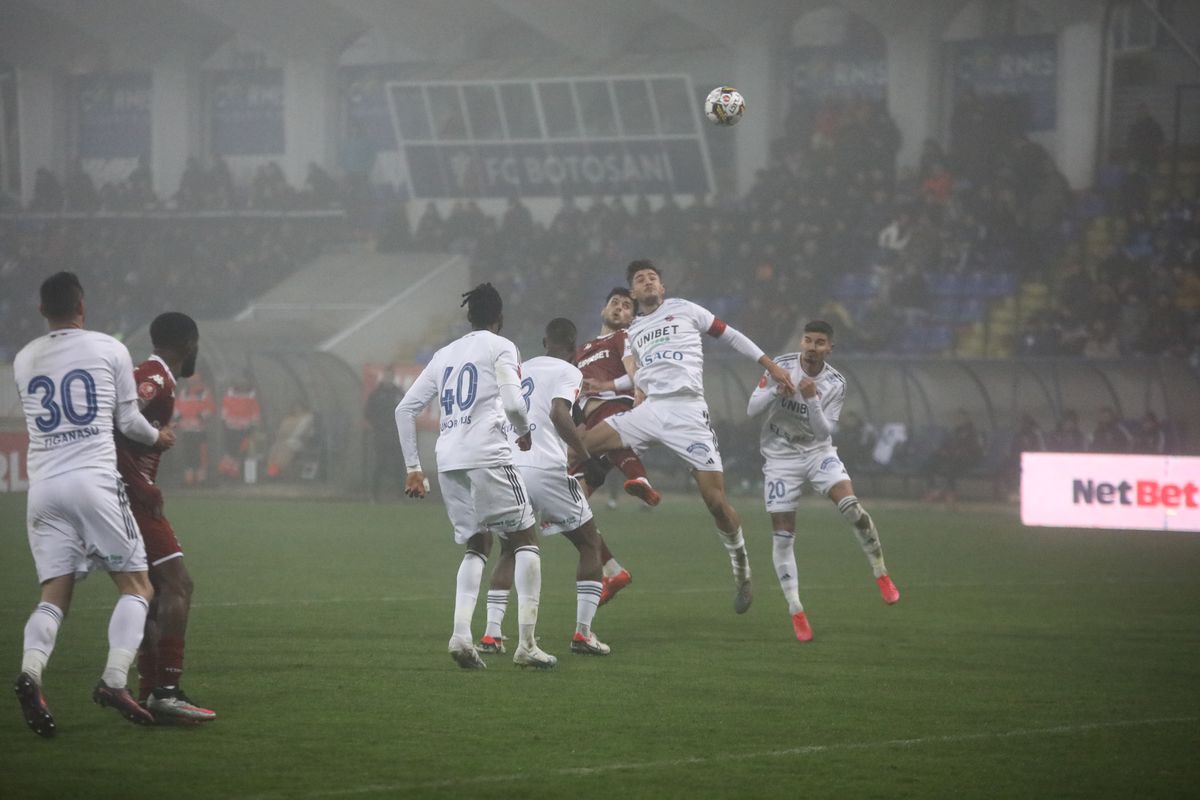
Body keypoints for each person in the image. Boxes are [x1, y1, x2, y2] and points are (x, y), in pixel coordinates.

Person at [577, 260, 796, 614]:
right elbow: (634, 372)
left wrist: (771, 366)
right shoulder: (632, 331)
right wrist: (614, 386)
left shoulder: (686, 310)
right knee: (582, 444)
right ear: (633, 292)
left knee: (715, 502)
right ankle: (576, 500)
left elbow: (731, 335)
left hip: (688, 411)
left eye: (652, 278)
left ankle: (741, 567)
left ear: (661, 288)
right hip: (651, 410)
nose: (647, 282)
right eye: (639, 280)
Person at [13, 272, 175, 736]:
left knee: (54, 596)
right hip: (93, 481)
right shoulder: (109, 348)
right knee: (137, 587)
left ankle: (31, 672)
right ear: (82, 306)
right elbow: (127, 419)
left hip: (43, 487)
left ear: (43, 311)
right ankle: (114, 679)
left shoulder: (25, 358)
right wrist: (158, 438)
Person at [395, 283, 556, 669]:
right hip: (488, 454)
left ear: (469, 318)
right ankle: (527, 644)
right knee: (525, 540)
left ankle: (461, 635)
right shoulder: (501, 346)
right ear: (499, 319)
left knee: (477, 543)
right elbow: (515, 402)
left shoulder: (445, 354)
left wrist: (414, 468)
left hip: (449, 460)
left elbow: (405, 409)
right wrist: (523, 431)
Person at [746, 321, 899, 643]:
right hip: (780, 458)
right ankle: (796, 609)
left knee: (852, 509)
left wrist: (811, 398)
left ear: (830, 348)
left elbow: (823, 432)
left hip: (818, 452)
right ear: (802, 342)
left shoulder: (835, 383)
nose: (812, 347)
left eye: (820, 342)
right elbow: (751, 409)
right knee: (783, 537)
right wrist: (776, 390)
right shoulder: (781, 367)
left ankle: (881, 573)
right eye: (808, 340)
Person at [479, 318, 614, 657]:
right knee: (589, 544)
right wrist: (587, 459)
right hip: (545, 468)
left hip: (508, 468)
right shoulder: (570, 372)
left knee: (510, 548)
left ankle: (492, 634)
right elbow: (558, 413)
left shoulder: (521, 369)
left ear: (544, 341)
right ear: (575, 348)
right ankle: (583, 633)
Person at [116, 312, 216, 722]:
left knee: (152, 592)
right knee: (178, 584)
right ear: (189, 343)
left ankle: (147, 692)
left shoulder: (159, 378)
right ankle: (166, 691)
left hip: (127, 497)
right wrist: (140, 483)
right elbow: (109, 427)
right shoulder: (153, 379)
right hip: (132, 499)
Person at [571, 287, 650, 605]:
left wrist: (621, 387)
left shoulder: (625, 338)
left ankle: (639, 477)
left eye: (626, 306)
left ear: (632, 316)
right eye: (614, 303)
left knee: (562, 504)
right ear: (603, 309)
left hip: (615, 420)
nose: (619, 308)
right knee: (566, 510)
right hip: (587, 433)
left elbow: (636, 374)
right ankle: (612, 569)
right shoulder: (582, 350)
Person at [364, 368, 406, 502]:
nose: (388, 379)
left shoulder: (399, 393)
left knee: (398, 465)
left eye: (391, 376)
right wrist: (378, 425)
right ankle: (374, 495)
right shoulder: (376, 394)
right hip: (381, 435)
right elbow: (368, 413)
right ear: (383, 377)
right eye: (386, 376)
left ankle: (400, 495)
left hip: (397, 435)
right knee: (380, 465)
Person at [174, 372, 215, 486]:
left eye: (194, 381)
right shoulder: (183, 393)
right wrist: (179, 417)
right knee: (188, 454)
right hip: (187, 430)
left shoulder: (205, 393)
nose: (192, 383)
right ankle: (189, 480)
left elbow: (209, 408)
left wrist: (200, 417)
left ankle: (201, 479)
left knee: (200, 455)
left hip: (199, 430)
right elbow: (177, 407)